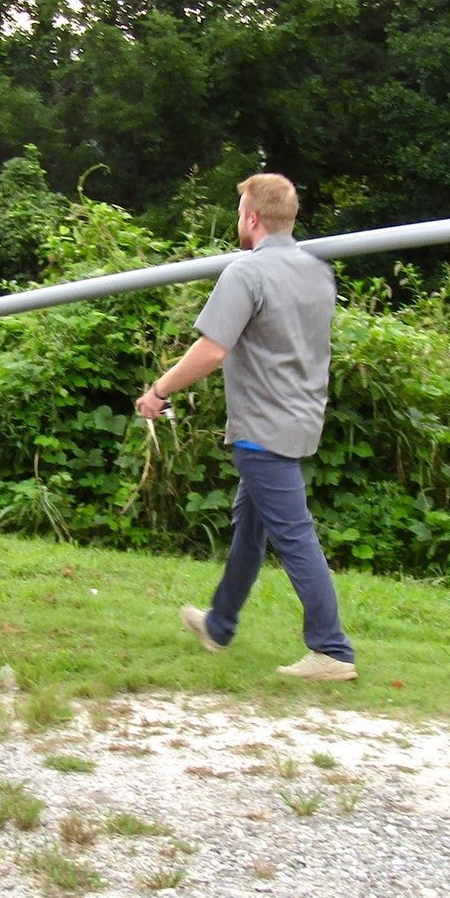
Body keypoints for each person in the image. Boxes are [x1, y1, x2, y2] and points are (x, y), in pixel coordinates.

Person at [134, 173, 357, 681]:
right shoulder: (318, 272)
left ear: (252, 218)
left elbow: (212, 349)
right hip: (301, 419)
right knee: (250, 529)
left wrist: (159, 391)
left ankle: (332, 650)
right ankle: (220, 625)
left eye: (240, 213)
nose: (239, 221)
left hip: (262, 426)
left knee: (295, 536)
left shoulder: (245, 273)